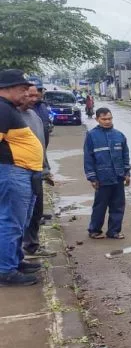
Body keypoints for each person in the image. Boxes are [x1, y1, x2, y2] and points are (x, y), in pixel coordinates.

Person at [0, 69, 44, 286]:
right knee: (11, 222)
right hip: (13, 172)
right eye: (22, 88)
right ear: (6, 88)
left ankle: (14, 261)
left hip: (23, 173)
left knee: (21, 221)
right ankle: (5, 270)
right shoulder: (1, 108)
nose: (26, 92)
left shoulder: (8, 108)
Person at [17, 85, 56, 259]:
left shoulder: (35, 116)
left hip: (36, 172)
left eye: (35, 95)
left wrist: (46, 169)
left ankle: (31, 246)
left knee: (36, 211)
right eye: (29, 95)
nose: (33, 99)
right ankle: (16, 253)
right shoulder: (12, 117)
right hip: (19, 173)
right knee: (18, 215)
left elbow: (40, 146)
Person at [83, 107, 131, 240]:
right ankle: (94, 230)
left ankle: (114, 231)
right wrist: (92, 177)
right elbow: (88, 158)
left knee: (118, 206)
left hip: (118, 177)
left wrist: (127, 173)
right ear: (97, 119)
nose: (107, 121)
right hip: (102, 178)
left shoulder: (119, 136)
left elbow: (125, 155)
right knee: (100, 206)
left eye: (109, 118)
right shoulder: (92, 136)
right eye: (104, 119)